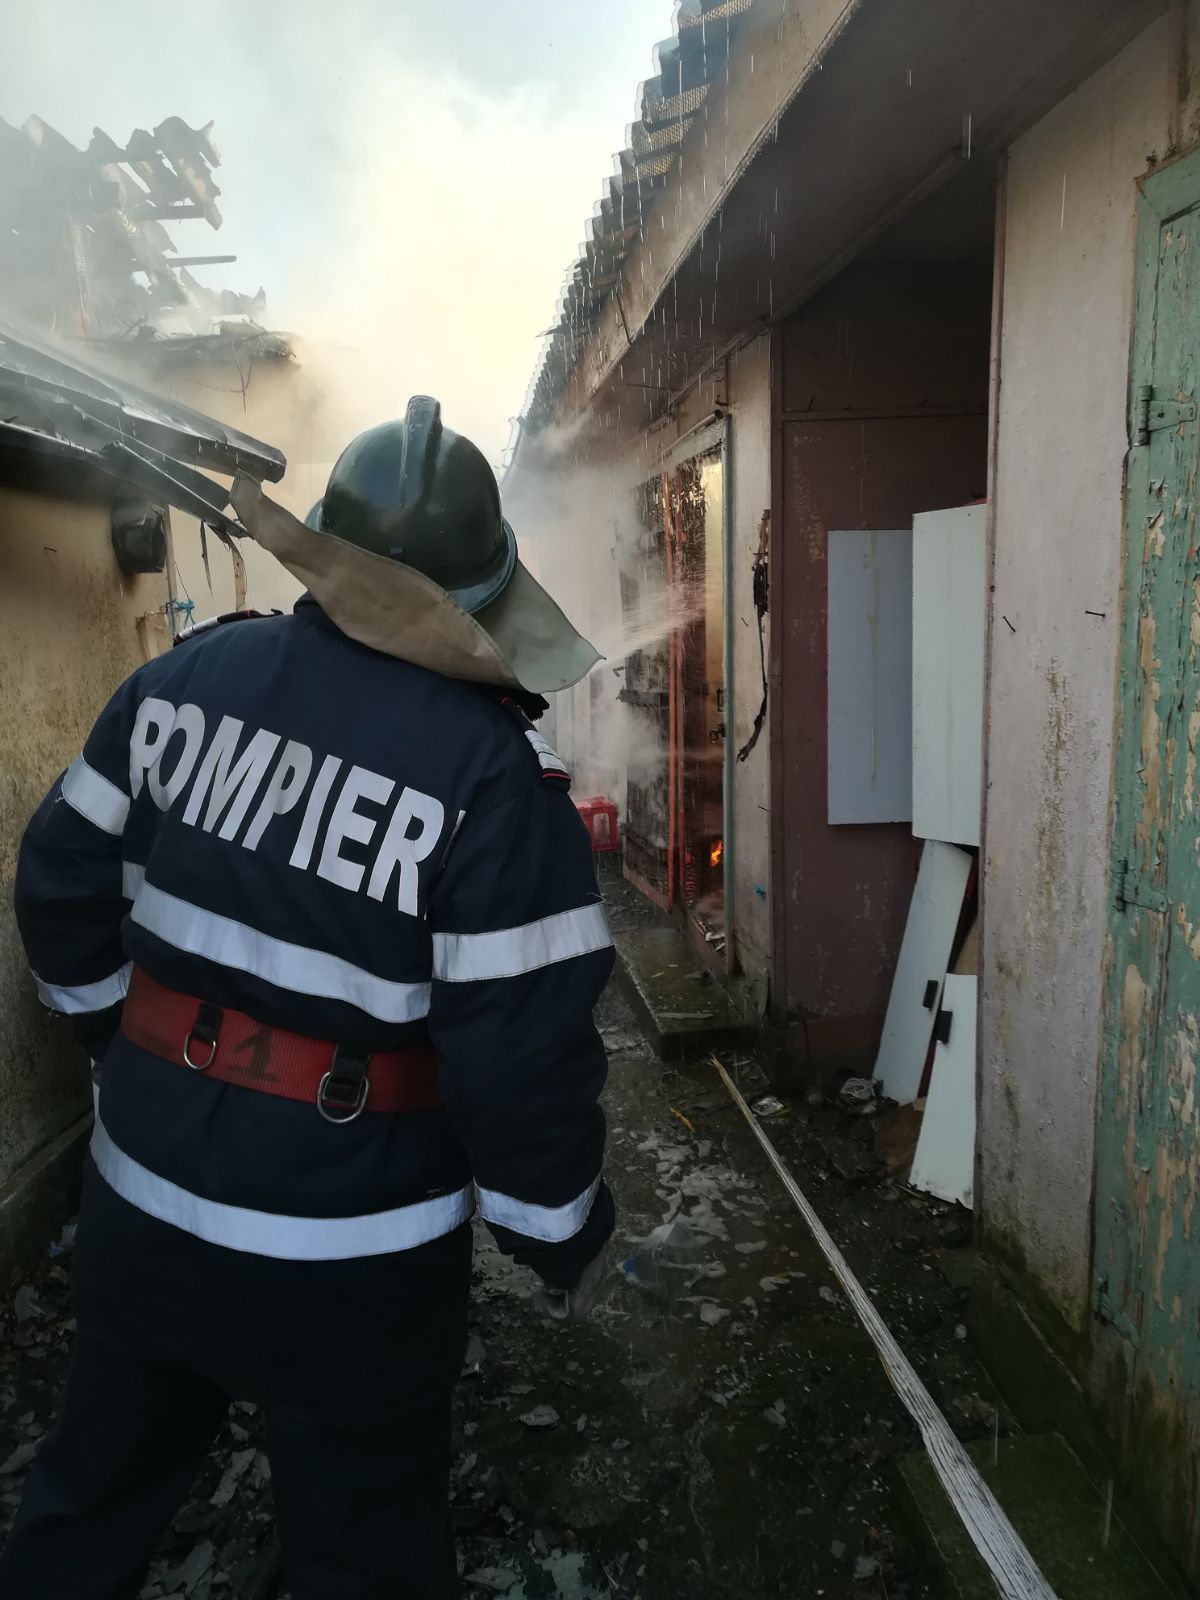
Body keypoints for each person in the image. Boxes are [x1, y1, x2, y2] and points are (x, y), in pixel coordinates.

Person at [0, 396, 615, 1600]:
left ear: (322, 546)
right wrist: (561, 1237)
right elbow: (518, 1059)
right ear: (485, 595)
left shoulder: (178, 681)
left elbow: (57, 882)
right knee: (366, 1546)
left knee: (89, 1501)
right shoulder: (498, 780)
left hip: (142, 1199)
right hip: (352, 1255)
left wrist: (124, 1045)